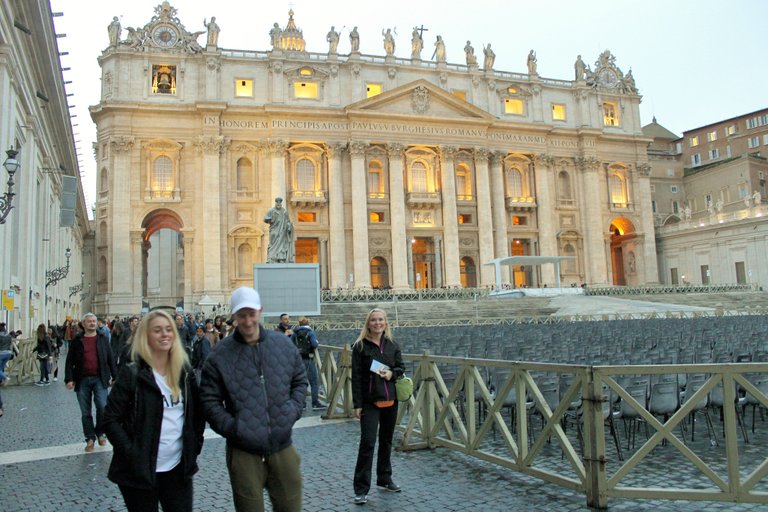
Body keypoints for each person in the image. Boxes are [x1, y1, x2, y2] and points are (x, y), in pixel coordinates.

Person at [200, 287, 307, 511]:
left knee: (291, 507)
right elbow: (209, 401)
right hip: (243, 450)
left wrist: (291, 411)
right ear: (234, 317)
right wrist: (234, 428)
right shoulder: (219, 355)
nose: (247, 321)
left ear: (260, 311)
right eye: (241, 315)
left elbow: (299, 380)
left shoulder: (283, 345)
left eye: (251, 314)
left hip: (282, 444)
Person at [103, 310, 205, 512]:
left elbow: (197, 415)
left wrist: (194, 447)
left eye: (169, 330)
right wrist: (132, 453)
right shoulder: (131, 373)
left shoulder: (185, 373)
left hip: (177, 468)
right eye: (157, 330)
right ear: (146, 336)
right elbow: (110, 419)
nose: (165, 334)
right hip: (139, 471)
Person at [351, 308, 405, 505]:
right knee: (367, 443)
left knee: (387, 440)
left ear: (385, 323)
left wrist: (392, 373)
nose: (377, 323)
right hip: (369, 401)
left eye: (380, 319)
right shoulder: (359, 347)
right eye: (374, 320)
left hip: (390, 399)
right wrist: (357, 404)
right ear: (368, 323)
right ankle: (361, 488)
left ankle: (384, 478)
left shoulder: (392, 345)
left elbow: (401, 367)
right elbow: (356, 377)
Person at [64, 312, 118, 452]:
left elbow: (110, 358)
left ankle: (100, 433)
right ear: (83, 324)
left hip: (100, 378)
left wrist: (115, 376)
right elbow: (69, 361)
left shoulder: (103, 338)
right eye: (89, 321)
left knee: (102, 407)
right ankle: (89, 438)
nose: (92, 323)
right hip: (81, 379)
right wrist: (69, 379)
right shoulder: (77, 340)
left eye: (94, 321)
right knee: (85, 411)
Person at [291, 317, 325, 410]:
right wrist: (316, 343)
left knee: (301, 382)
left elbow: (290, 343)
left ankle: (302, 404)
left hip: (298, 360)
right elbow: (314, 344)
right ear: (308, 323)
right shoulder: (310, 332)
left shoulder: (295, 333)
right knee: (313, 382)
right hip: (308, 359)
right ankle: (315, 403)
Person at [264, 197, 295, 263]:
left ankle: (281, 258)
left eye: (280, 202)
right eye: (277, 202)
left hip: (282, 231)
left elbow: (288, 221)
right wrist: (269, 219)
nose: (278, 203)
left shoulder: (284, 211)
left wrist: (289, 226)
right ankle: (272, 258)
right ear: (275, 203)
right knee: (272, 244)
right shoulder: (271, 210)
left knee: (282, 245)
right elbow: (265, 218)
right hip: (274, 230)